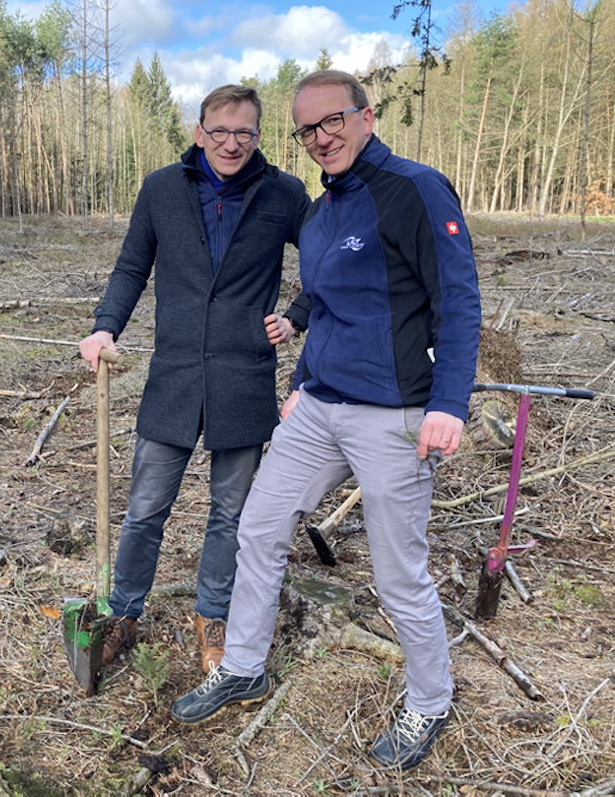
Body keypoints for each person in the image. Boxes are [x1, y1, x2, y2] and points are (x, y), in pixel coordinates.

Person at [170, 71, 481, 773]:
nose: (321, 138)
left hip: (395, 413)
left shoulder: (413, 189)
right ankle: (243, 664)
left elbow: (457, 299)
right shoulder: (321, 210)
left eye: (332, 120)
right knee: (257, 526)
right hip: (319, 406)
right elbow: (325, 293)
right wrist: (304, 380)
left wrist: (447, 404)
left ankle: (428, 701)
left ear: (365, 116)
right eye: (307, 129)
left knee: (398, 570)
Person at [78, 85, 311, 675]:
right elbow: (132, 265)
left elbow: (331, 258)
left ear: (260, 135)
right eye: (219, 131)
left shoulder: (283, 194)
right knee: (145, 508)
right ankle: (123, 613)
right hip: (175, 375)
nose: (231, 144)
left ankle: (214, 616)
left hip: (243, 377)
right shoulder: (161, 189)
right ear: (199, 130)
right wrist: (106, 327)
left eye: (245, 133)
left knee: (231, 513)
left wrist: (297, 316)